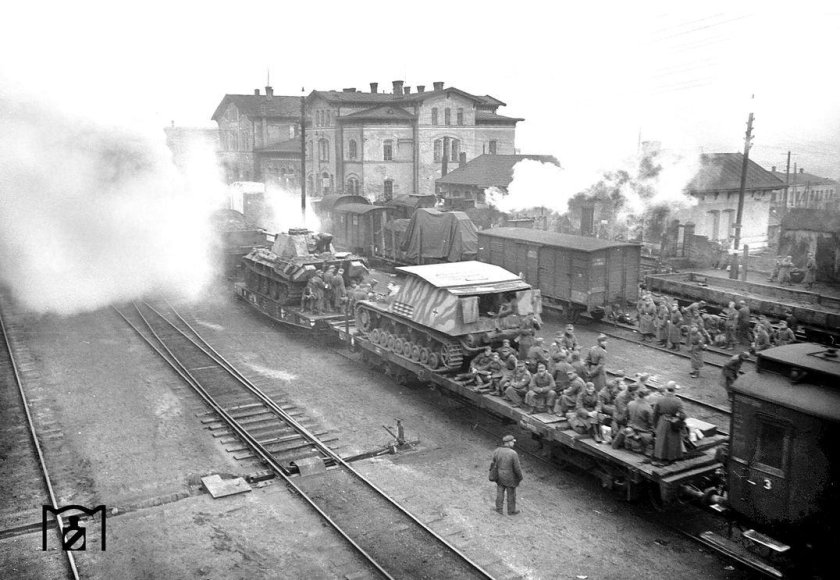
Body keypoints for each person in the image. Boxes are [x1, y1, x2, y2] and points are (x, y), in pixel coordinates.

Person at [652, 382, 686, 466]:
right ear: (674, 390)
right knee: (672, 441)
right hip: (673, 422)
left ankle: (660, 457)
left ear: (666, 389)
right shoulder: (677, 401)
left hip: (662, 421)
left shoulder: (660, 399)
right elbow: (682, 415)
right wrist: (678, 418)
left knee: (661, 440)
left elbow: (655, 413)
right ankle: (672, 457)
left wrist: (655, 425)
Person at [490, 434, 523, 515]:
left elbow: (493, 463)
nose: (513, 443)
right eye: (512, 442)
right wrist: (520, 477)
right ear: (508, 443)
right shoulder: (513, 453)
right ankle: (511, 511)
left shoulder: (497, 450)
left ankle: (499, 509)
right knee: (511, 494)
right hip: (510, 477)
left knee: (500, 492)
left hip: (499, 475)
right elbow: (517, 468)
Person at [625, 389, 654, 456]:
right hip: (643, 431)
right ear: (646, 396)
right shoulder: (648, 408)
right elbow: (651, 422)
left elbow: (626, 416)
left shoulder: (630, 403)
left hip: (631, 428)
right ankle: (646, 449)